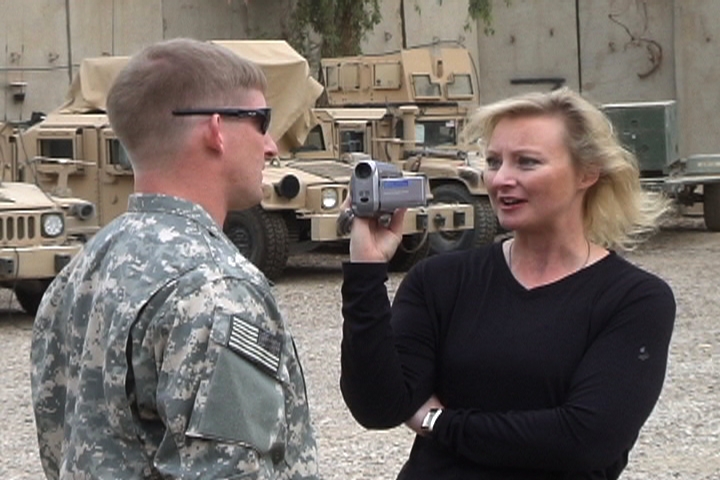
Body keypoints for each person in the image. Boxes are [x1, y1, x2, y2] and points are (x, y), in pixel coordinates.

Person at [339, 87, 675, 479]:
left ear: (588, 172)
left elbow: (583, 442)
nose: (502, 179)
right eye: (495, 161)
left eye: (527, 162)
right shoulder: (440, 280)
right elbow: (378, 406)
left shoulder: (634, 299)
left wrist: (437, 423)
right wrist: (366, 268)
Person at [30, 38, 319, 479]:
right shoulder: (215, 287)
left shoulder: (82, 270)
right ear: (217, 130)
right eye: (262, 121)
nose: (271, 146)